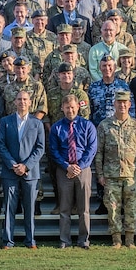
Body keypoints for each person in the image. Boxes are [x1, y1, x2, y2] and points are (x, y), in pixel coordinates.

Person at [95, 90, 136, 249]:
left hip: (132, 175)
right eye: (119, 102)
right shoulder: (105, 125)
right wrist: (100, 174)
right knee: (112, 209)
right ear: (114, 104)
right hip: (111, 175)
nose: (122, 105)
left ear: (129, 105)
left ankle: (130, 239)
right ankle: (116, 239)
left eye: (125, 102)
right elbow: (99, 152)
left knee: (132, 208)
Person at [0, 89, 45, 249]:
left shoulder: (37, 123)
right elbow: (1, 145)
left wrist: (26, 166)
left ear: (30, 102)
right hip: (10, 171)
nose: (22, 102)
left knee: (29, 208)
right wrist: (12, 164)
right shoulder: (5, 121)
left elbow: (40, 148)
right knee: (9, 206)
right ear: (15, 102)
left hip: (30, 173)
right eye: (19, 99)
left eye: (25, 99)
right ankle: (8, 241)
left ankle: (30, 240)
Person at [49, 92, 98, 249]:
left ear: (78, 107)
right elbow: (53, 150)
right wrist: (67, 166)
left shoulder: (88, 125)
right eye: (67, 107)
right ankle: (65, 240)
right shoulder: (56, 127)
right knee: (64, 208)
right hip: (64, 170)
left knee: (84, 208)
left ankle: (84, 240)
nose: (70, 110)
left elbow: (92, 149)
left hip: (83, 170)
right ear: (62, 108)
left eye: (72, 107)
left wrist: (80, 166)